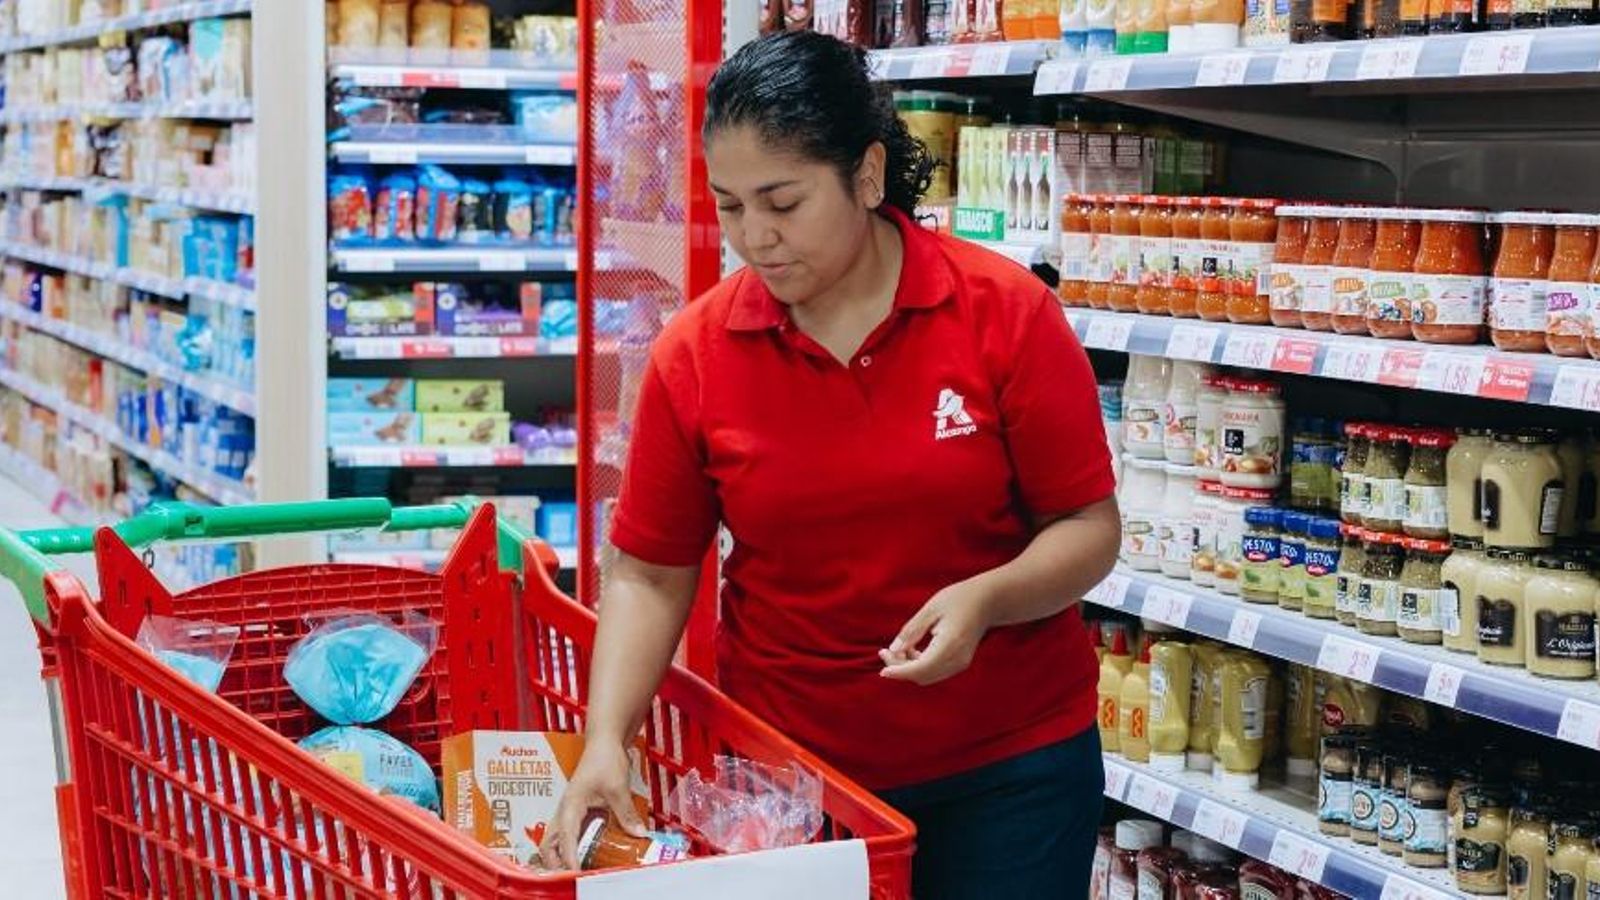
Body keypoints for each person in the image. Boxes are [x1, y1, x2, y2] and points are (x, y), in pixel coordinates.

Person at [540, 30, 1120, 898]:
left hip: (1013, 769)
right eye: (731, 207)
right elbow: (652, 574)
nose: (755, 240)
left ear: (868, 174)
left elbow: (1087, 528)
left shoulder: (1004, 314)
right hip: (790, 778)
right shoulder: (695, 355)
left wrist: (986, 598)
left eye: (782, 201)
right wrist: (605, 740)